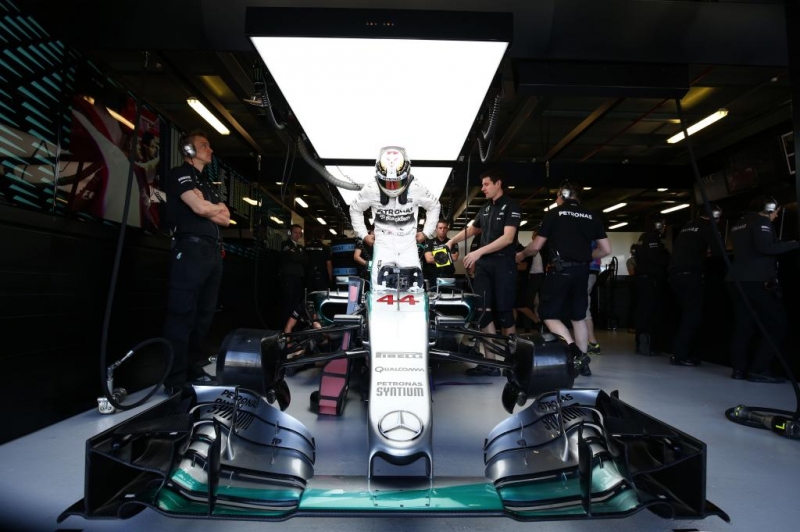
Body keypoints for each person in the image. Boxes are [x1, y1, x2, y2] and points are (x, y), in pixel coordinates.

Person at [516, 182, 610, 377]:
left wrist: (521, 255)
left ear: (563, 195)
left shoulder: (554, 214)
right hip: (582, 272)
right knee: (578, 317)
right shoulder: (591, 216)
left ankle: (575, 352)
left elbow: (536, 246)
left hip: (560, 271)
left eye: (557, 195)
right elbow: (606, 250)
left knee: (547, 314)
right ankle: (582, 364)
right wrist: (585, 257)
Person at [163, 130, 230, 390]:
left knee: (203, 316)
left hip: (212, 253)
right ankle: (175, 379)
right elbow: (200, 208)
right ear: (189, 150)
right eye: (204, 145)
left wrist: (208, 208)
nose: (210, 150)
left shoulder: (206, 185)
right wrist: (209, 208)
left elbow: (226, 218)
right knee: (182, 315)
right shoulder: (179, 174)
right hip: (190, 251)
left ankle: (192, 368)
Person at [446, 169, 521, 376]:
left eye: (487, 184)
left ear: (498, 183)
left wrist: (478, 251)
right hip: (485, 267)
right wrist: (452, 241)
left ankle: (513, 362)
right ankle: (491, 363)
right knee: (483, 313)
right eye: (483, 185)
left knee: (505, 313)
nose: (483, 188)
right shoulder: (485, 208)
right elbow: (473, 229)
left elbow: (508, 238)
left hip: (504, 264)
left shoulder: (511, 206)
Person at [727, 197, 798, 383]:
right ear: (768, 209)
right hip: (756, 280)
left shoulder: (738, 223)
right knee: (777, 324)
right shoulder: (761, 221)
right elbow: (765, 247)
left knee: (743, 326)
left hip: (736, 280)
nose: (776, 216)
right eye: (776, 211)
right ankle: (759, 369)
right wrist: (794, 244)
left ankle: (738, 369)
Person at [349, 146, 440, 288]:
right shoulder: (371, 188)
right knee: (379, 288)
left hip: (408, 246)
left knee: (414, 288)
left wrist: (426, 233)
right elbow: (355, 208)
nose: (391, 186)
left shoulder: (416, 187)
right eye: (387, 182)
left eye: (396, 182)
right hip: (383, 246)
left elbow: (434, 206)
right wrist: (363, 235)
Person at [668, 204, 724, 367]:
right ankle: (681, 355)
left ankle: (679, 351)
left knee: (685, 314)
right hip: (691, 273)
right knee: (692, 316)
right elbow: (719, 252)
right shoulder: (709, 227)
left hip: (674, 273)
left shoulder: (688, 226)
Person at [633, 217, 670, 356]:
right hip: (651, 279)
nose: (664, 227)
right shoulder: (653, 238)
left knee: (642, 311)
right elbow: (656, 258)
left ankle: (640, 342)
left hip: (641, 279)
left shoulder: (642, 237)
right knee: (651, 311)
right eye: (663, 224)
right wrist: (668, 258)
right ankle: (650, 344)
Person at [280, 224, 306, 325]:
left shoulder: (300, 247)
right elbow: (294, 257)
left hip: (298, 278)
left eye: (299, 233)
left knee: (297, 302)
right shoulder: (285, 244)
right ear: (290, 233)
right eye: (295, 232)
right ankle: (285, 326)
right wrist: (299, 255)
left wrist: (297, 255)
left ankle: (294, 325)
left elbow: (306, 260)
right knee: (288, 302)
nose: (298, 235)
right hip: (289, 278)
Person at [424, 220, 459, 289]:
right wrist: (447, 257)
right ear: (436, 229)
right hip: (433, 276)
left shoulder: (452, 242)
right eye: (440, 228)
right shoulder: (429, 243)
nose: (442, 230)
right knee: (432, 295)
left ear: (447, 229)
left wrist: (436, 257)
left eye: (444, 228)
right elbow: (429, 259)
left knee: (449, 295)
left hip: (448, 276)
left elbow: (454, 257)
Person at [586, 241, 602, 355]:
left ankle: (591, 342)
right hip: (592, 270)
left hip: (585, 270)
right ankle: (591, 342)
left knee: (582, 306)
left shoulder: (587, 234)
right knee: (583, 305)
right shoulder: (595, 234)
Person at [305, 227, 333, 292]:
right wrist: (330, 278)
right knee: (321, 295)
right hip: (322, 275)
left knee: (310, 295)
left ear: (313, 236)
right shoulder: (325, 248)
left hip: (309, 275)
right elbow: (328, 264)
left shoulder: (306, 247)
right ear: (323, 236)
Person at [625, 244, 637, 333]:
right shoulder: (630, 261)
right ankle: (632, 326)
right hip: (634, 284)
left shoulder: (643, 260)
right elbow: (631, 272)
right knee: (634, 304)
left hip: (642, 283)